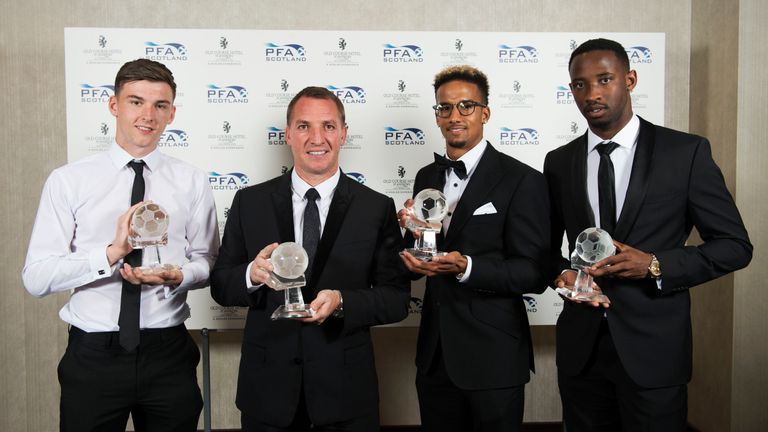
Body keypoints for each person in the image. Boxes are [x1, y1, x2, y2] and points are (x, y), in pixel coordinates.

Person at [544, 38, 753, 431]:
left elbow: (735, 247)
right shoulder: (559, 162)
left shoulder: (685, 153)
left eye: (604, 79)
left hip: (655, 351)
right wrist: (561, 275)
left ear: (630, 79)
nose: (592, 93)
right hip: (581, 352)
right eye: (580, 84)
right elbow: (543, 248)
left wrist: (656, 264)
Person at [22, 59, 219, 431]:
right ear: (114, 105)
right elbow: (36, 278)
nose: (148, 115)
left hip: (168, 353)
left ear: (172, 113)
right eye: (135, 101)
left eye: (160, 105)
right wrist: (110, 254)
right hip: (94, 355)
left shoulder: (192, 181)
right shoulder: (69, 181)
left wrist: (179, 274)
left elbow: (208, 261)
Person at [210, 86, 410, 431]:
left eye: (328, 126)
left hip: (346, 392)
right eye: (304, 126)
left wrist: (342, 301)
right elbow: (221, 286)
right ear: (287, 134)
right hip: (268, 391)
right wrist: (251, 275)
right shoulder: (249, 202)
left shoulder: (375, 207)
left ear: (343, 134)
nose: (317, 138)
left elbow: (396, 299)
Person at [398, 65, 550, 432]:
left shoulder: (523, 180)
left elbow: (534, 272)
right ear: (436, 116)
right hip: (434, 357)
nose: (455, 116)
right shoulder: (426, 177)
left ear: (485, 112)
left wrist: (467, 267)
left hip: (493, 358)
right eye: (445, 108)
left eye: (466, 106)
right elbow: (422, 248)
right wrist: (408, 235)